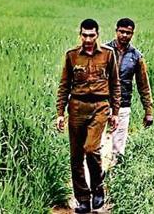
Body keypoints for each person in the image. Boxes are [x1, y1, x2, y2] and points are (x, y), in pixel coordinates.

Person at [56, 18, 121, 213]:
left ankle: (98, 189)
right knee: (76, 156)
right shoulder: (72, 56)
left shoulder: (108, 55)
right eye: (84, 35)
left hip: (100, 106)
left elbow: (115, 85)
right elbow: (64, 86)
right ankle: (83, 199)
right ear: (80, 35)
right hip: (76, 107)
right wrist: (60, 113)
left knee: (91, 148)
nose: (88, 39)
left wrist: (115, 112)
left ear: (97, 35)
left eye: (91, 35)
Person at [106, 18, 154, 161]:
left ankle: (114, 180)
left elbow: (143, 86)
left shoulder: (136, 56)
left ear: (132, 34)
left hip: (123, 105)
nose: (124, 35)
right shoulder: (104, 51)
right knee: (96, 146)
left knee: (118, 149)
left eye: (128, 33)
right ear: (116, 31)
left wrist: (148, 111)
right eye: (122, 32)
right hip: (101, 104)